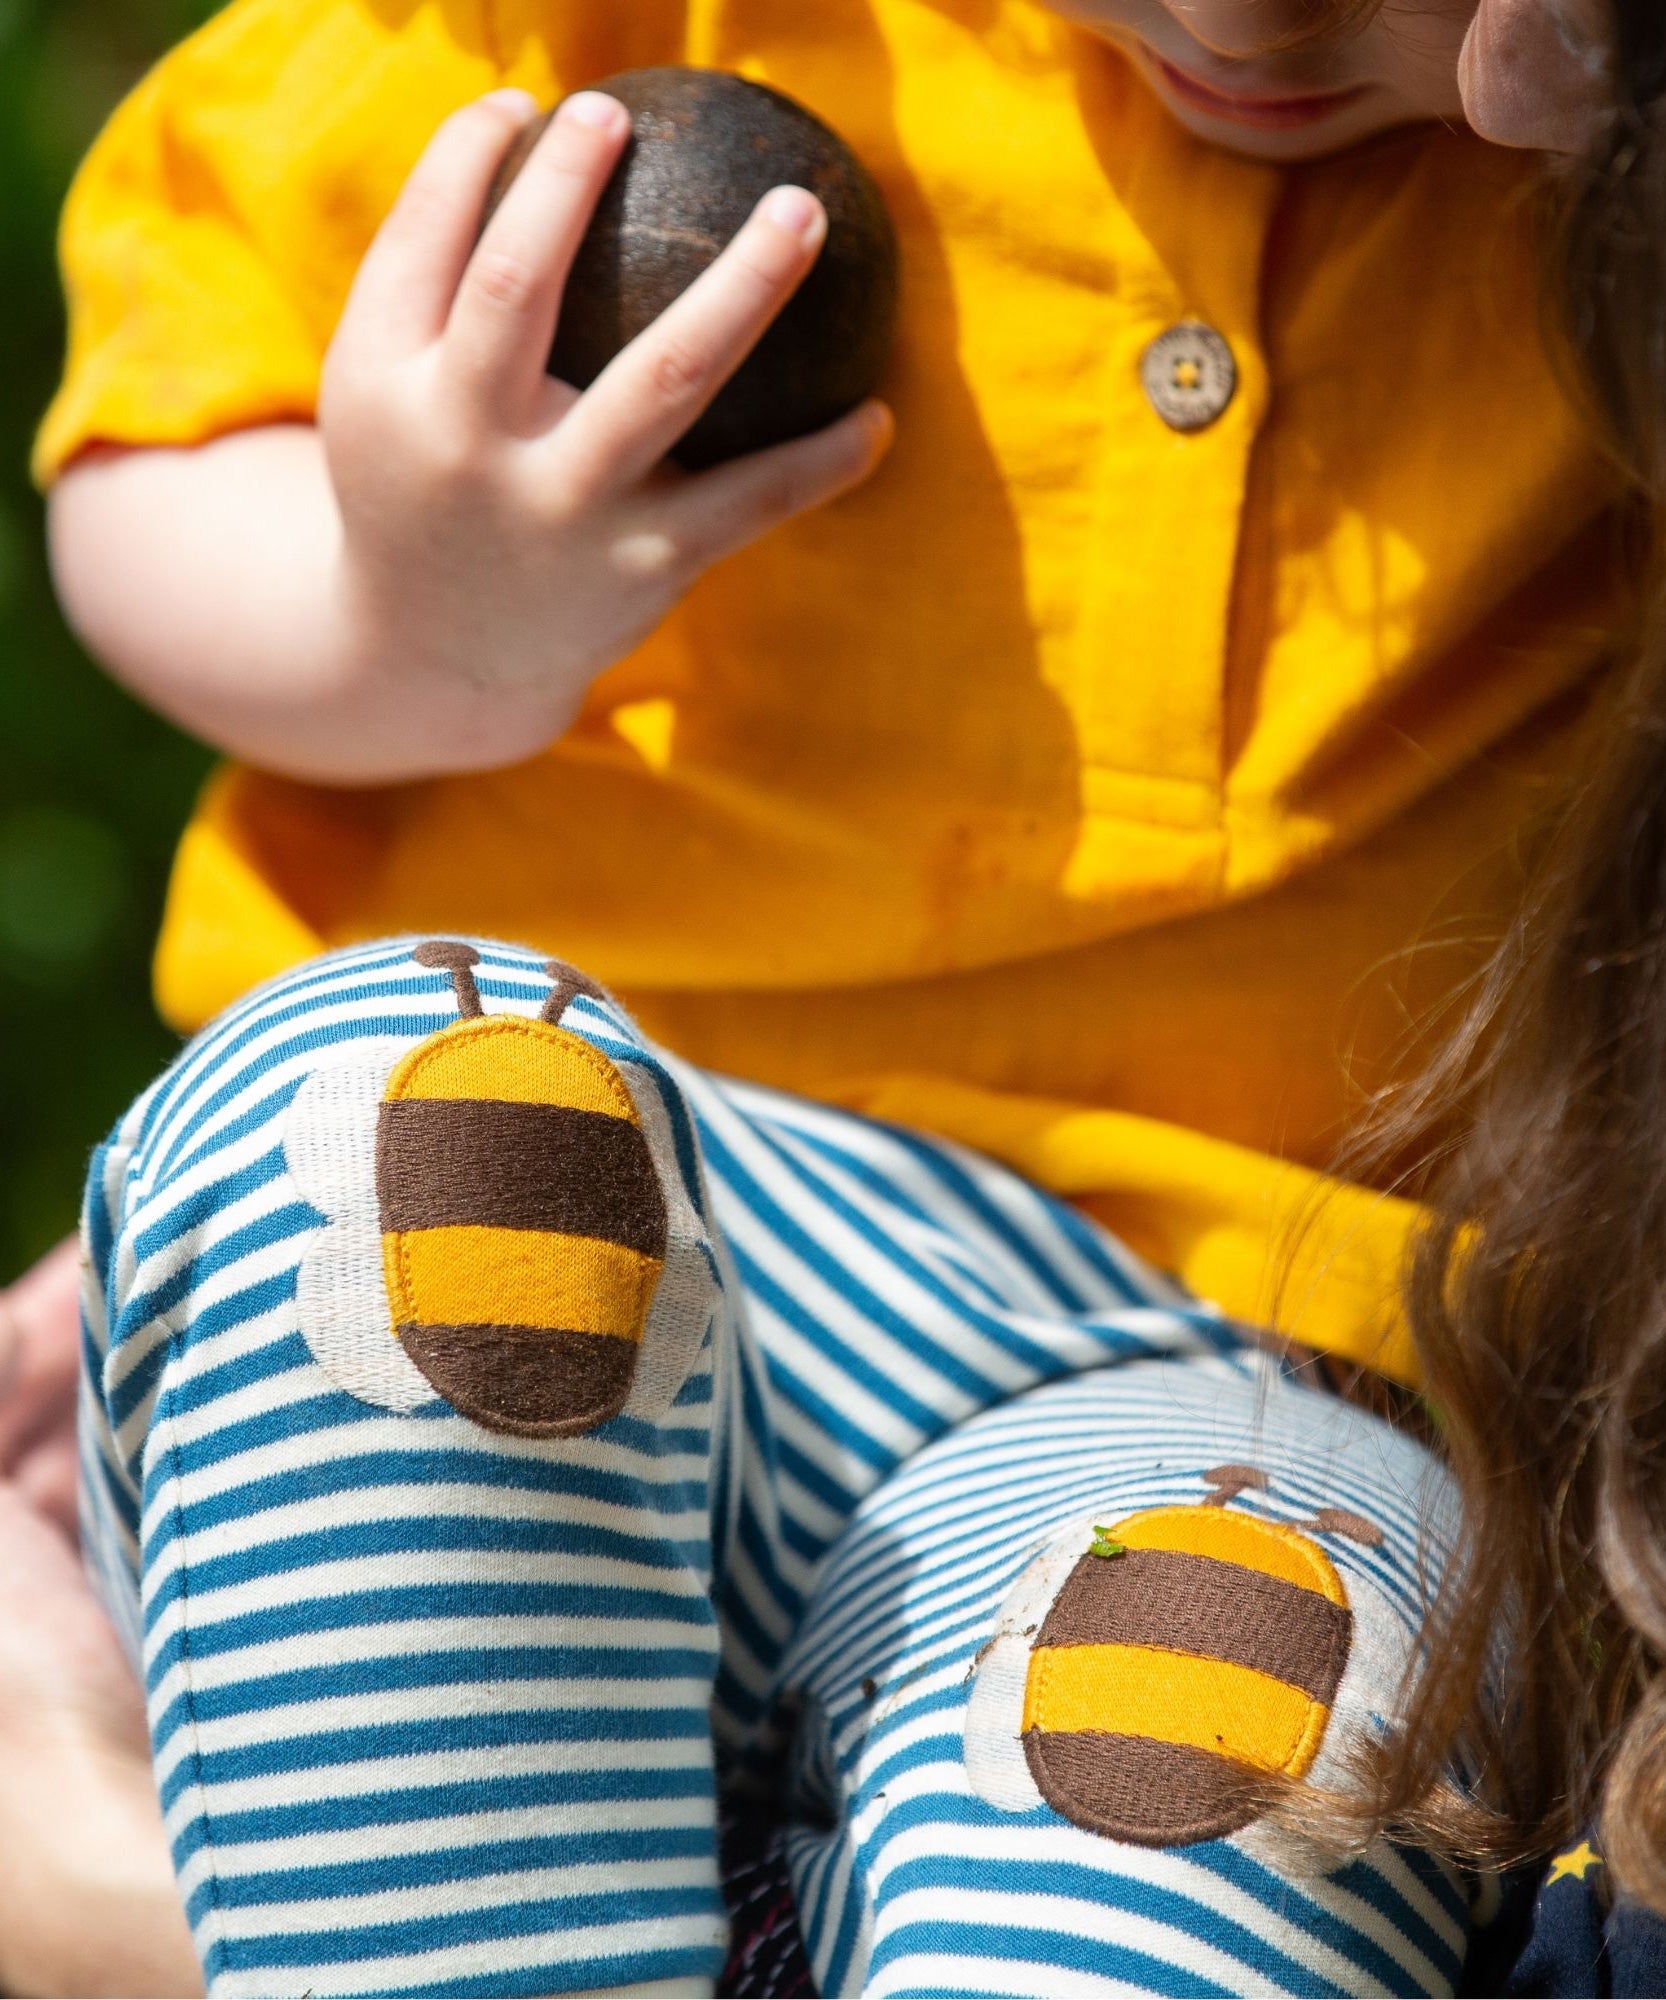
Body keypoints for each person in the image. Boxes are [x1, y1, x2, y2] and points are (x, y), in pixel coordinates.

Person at [7, 0, 1661, 1991]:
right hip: (607, 1210)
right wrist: (401, 612)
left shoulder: (1591, 171)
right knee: (379, 1119)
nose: (1248, 17)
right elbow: (167, 431)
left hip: (1270, 1384)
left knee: (1213, 1712)